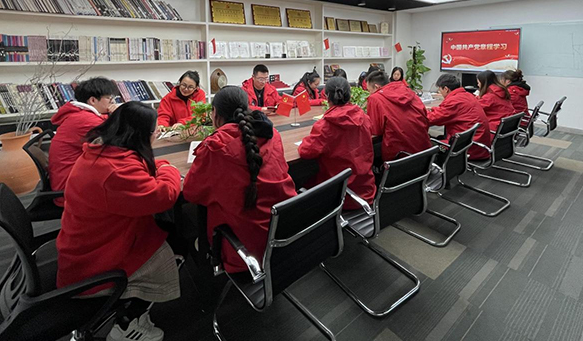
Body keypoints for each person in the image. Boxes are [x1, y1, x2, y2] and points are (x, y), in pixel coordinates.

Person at [56, 102, 182, 341]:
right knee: (171, 244)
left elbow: (143, 175)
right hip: (95, 261)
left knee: (168, 230)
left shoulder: (102, 151)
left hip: (90, 241)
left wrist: (158, 166)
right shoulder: (115, 171)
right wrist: (168, 168)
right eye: (154, 130)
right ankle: (126, 325)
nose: (156, 134)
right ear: (140, 134)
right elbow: (164, 195)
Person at [182, 86, 296, 273]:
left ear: (215, 113)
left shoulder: (215, 148)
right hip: (284, 233)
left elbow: (191, 193)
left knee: (191, 219)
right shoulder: (271, 134)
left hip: (245, 249)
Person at [298, 77, 376, 209]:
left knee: (301, 182)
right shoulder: (364, 118)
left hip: (338, 196)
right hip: (365, 190)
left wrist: (306, 139)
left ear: (327, 97)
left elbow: (305, 151)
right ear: (350, 95)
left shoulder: (325, 126)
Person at [48, 77, 119, 203]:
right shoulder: (86, 120)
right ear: (93, 100)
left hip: (72, 178)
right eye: (109, 98)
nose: (113, 102)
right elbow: (121, 141)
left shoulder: (79, 114)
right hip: (72, 191)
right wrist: (118, 115)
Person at [365, 70, 432, 163]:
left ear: (377, 87)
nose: (369, 94)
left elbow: (375, 131)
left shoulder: (375, 98)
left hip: (399, 159)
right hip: (424, 153)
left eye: (369, 91)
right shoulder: (408, 91)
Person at [427, 74, 492, 160]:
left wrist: (421, 111)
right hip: (476, 145)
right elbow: (447, 112)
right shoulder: (467, 95)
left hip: (465, 149)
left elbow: (432, 119)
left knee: (426, 143)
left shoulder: (454, 101)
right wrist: (433, 109)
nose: (440, 93)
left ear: (446, 89)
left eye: (440, 90)